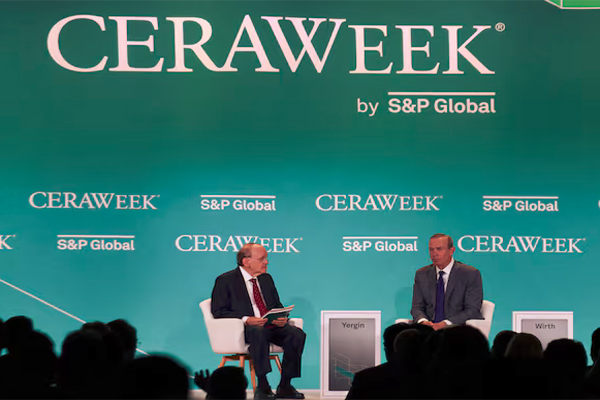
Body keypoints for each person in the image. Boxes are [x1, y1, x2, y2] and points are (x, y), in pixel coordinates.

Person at [211, 243, 306, 400]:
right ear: (246, 261)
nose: (266, 262)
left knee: (297, 334)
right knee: (258, 332)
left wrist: (281, 318)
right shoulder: (225, 280)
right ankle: (263, 386)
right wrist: (247, 319)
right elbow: (218, 311)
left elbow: (276, 305)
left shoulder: (266, 279)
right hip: (245, 330)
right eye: (262, 259)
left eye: (266, 259)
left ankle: (285, 385)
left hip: (271, 326)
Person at [410, 233, 483, 330]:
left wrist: (446, 323)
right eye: (431, 249)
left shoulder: (469, 274)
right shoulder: (422, 274)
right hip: (428, 330)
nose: (434, 253)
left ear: (451, 251)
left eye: (439, 249)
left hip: (456, 329)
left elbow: (472, 310)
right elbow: (416, 307)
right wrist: (423, 321)